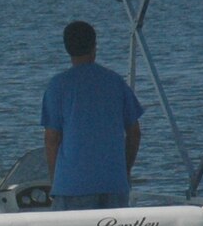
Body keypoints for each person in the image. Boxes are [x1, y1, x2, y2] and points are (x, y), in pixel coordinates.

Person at [40, 20, 143, 210]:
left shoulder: (58, 85)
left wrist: (56, 180)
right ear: (95, 46)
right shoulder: (115, 82)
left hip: (72, 185)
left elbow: (51, 139)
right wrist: (124, 169)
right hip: (114, 183)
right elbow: (134, 132)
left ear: (67, 49)